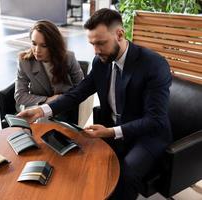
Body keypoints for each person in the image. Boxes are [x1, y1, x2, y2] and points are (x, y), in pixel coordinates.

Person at [17, 8, 172, 200]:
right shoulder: (101, 62)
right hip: (112, 129)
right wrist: (41, 111)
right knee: (77, 159)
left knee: (127, 173)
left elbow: (155, 120)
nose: (96, 50)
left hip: (147, 136)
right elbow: (78, 93)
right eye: (92, 44)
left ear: (120, 34)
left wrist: (110, 132)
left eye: (101, 43)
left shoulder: (154, 65)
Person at [14, 20, 84, 123]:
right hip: (36, 105)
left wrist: (62, 99)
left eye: (44, 45)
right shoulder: (24, 61)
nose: (37, 50)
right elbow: (20, 95)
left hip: (63, 106)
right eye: (34, 44)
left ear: (53, 45)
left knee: (48, 122)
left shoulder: (68, 57)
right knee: (40, 121)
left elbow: (81, 86)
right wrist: (47, 100)